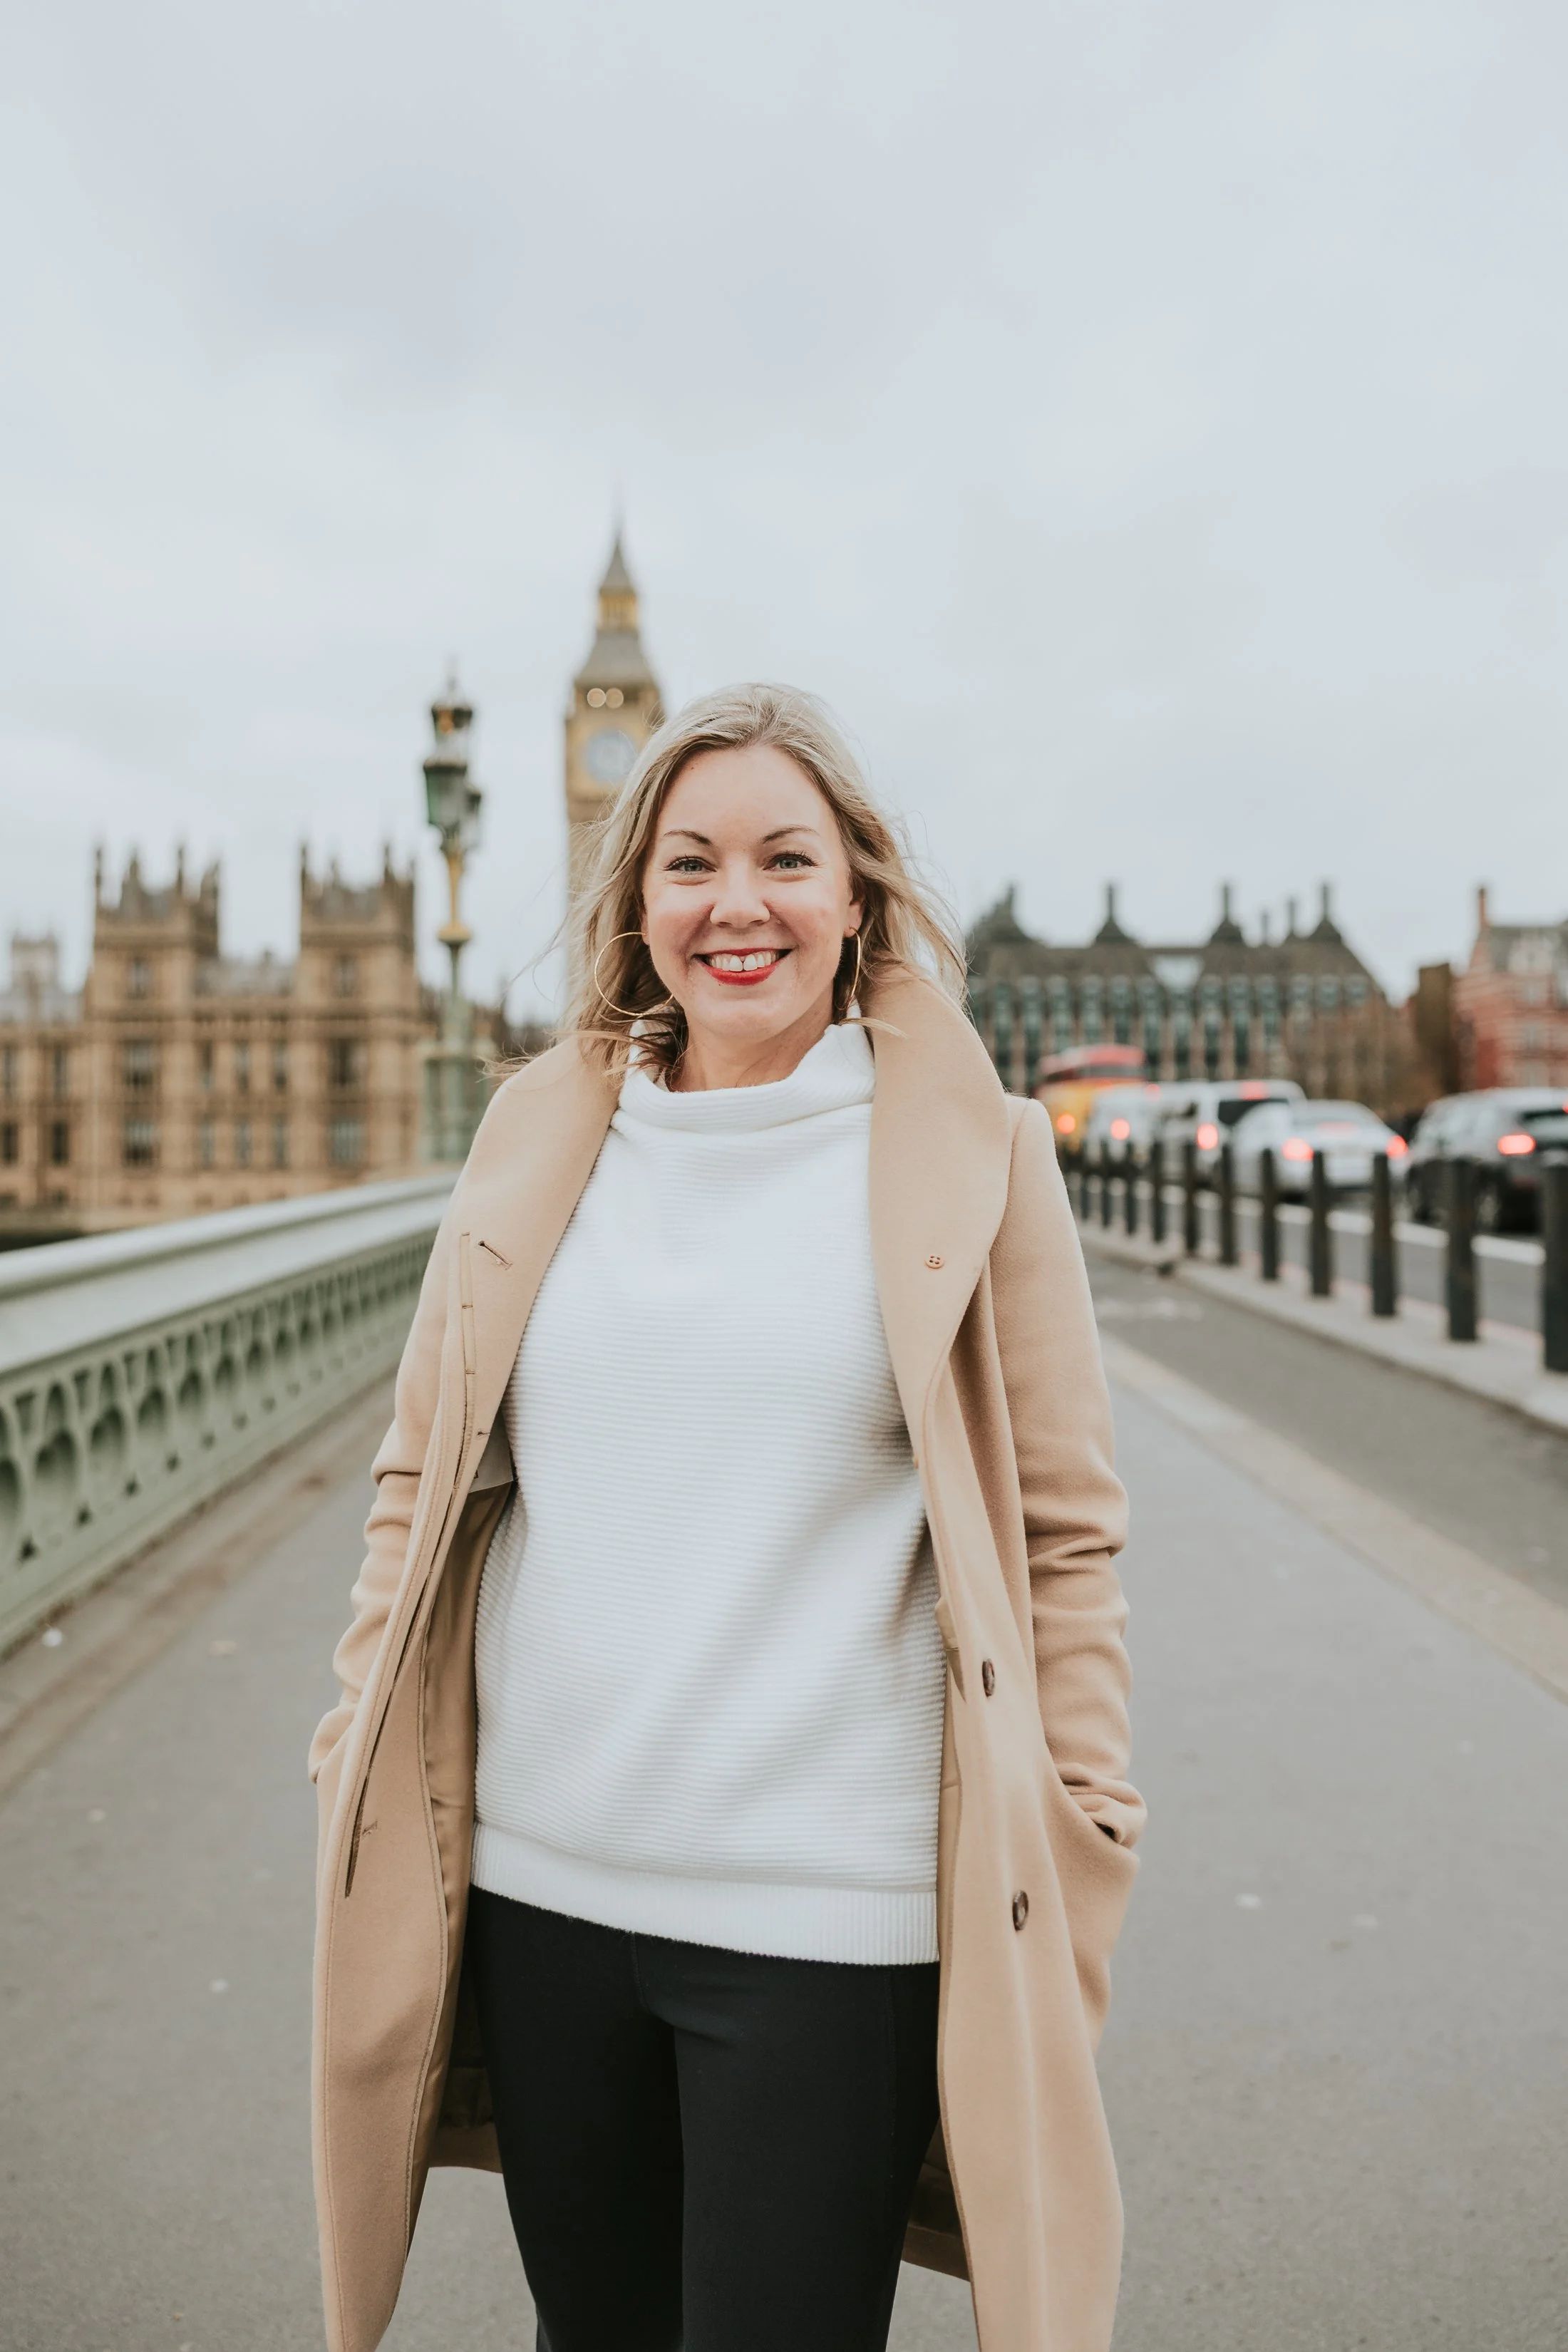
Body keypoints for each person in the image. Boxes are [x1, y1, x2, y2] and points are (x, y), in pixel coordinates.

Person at [309, 684, 1143, 2352]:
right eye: (686, 862)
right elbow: (426, 1469)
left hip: (823, 1917)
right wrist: (350, 1732)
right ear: (636, 903)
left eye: (783, 859)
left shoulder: (971, 1156)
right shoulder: (539, 1136)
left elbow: (1062, 1532)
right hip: (546, 1897)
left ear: (856, 899)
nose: (733, 903)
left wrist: (1087, 1808)